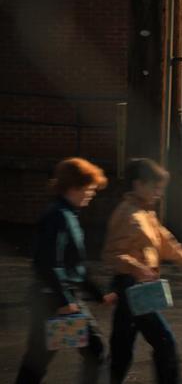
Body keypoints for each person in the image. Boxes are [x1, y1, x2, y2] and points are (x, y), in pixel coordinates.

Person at [103, 158, 182, 384]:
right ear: (138, 184)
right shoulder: (127, 215)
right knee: (164, 342)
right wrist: (137, 267)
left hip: (139, 287)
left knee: (122, 350)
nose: (159, 193)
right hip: (130, 286)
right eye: (155, 187)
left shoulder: (147, 215)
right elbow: (112, 254)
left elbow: (168, 244)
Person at [16, 157, 117, 384]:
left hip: (56, 299)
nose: (92, 193)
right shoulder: (58, 216)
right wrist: (64, 301)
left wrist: (98, 294)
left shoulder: (66, 215)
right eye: (90, 188)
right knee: (94, 351)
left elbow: (74, 266)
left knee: (39, 360)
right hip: (55, 300)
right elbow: (48, 262)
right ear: (75, 187)